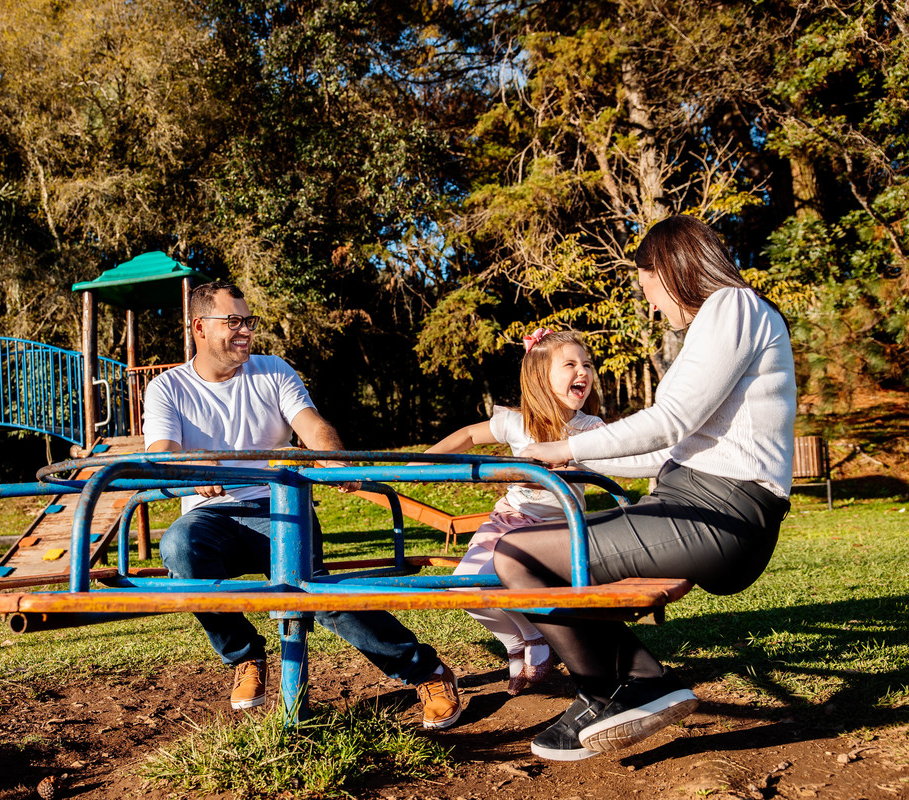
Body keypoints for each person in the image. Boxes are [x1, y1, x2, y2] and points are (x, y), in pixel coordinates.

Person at [493, 215, 796, 761]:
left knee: (515, 552)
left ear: (672, 269)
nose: (652, 306)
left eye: (649, 289)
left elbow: (671, 420)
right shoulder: (723, 321)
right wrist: (574, 463)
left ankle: (608, 692)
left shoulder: (732, 307)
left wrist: (568, 448)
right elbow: (664, 448)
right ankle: (639, 679)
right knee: (545, 548)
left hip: (719, 511)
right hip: (696, 502)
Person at [143, 280, 463, 729]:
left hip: (278, 506)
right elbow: (164, 453)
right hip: (209, 513)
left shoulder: (272, 371)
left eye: (248, 321)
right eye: (232, 321)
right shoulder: (168, 388)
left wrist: (331, 458)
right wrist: (197, 466)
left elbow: (310, 424)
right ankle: (246, 657)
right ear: (199, 326)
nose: (245, 331)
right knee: (179, 550)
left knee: (317, 593)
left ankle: (424, 670)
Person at [420, 329, 605, 695]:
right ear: (540, 377)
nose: (583, 371)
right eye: (570, 364)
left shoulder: (589, 428)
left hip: (557, 527)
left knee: (515, 583)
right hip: (511, 517)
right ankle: (518, 643)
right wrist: (426, 463)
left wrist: (552, 471)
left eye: (586, 364)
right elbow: (470, 435)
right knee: (468, 585)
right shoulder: (516, 421)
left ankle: (536, 637)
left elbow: (589, 469)